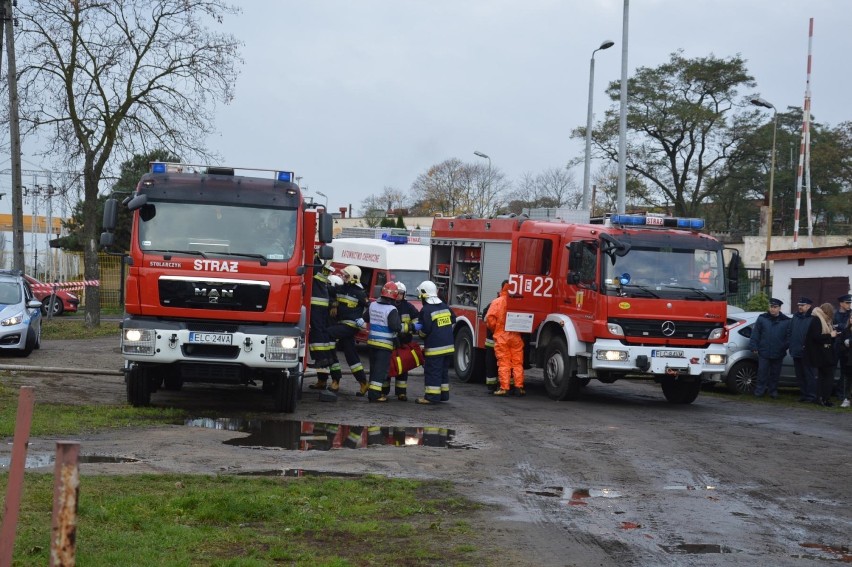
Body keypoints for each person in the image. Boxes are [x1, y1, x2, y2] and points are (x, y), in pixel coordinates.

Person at [326, 265, 370, 395]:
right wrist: (334, 303)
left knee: (327, 334)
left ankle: (336, 379)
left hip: (350, 326)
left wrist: (364, 319)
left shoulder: (360, 293)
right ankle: (363, 382)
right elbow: (328, 291)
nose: (343, 277)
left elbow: (371, 307)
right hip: (342, 325)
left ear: (353, 278)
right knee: (351, 355)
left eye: (346, 276)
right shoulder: (341, 289)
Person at [415, 280, 456, 405]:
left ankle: (432, 397)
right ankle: (443, 394)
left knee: (433, 371)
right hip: (449, 347)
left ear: (424, 295)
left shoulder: (426, 310)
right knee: (443, 371)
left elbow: (425, 330)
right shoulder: (444, 306)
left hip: (435, 348)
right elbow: (453, 319)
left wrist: (419, 333)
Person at [306, 259, 341, 392]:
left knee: (329, 355)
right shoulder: (328, 291)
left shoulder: (333, 297)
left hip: (329, 331)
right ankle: (322, 380)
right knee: (320, 353)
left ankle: (336, 380)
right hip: (323, 329)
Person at [365, 281, 402, 403]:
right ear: (395, 296)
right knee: (380, 370)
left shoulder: (373, 305)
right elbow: (395, 326)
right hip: (384, 344)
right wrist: (406, 327)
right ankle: (374, 395)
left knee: (373, 368)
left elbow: (366, 318)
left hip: (371, 342)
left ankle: (372, 392)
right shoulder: (392, 309)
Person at [486, 281, 525, 396]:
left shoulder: (497, 302)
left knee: (504, 363)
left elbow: (490, 319)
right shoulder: (519, 301)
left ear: (502, 288)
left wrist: (496, 330)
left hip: (502, 337)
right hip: (516, 336)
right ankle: (519, 387)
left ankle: (504, 388)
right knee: (517, 363)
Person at [384, 282, 421, 401]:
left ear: (404, 294)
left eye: (401, 293)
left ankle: (401, 393)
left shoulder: (408, 307)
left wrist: (411, 327)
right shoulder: (388, 305)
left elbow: (417, 320)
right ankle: (384, 391)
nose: (398, 295)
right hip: (390, 342)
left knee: (403, 367)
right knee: (388, 367)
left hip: (404, 342)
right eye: (397, 293)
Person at [748, 298, 791, 399]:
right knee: (762, 372)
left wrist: (783, 347)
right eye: (771, 307)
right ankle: (759, 391)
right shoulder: (762, 318)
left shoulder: (786, 321)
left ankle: (773, 391)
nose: (773, 309)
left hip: (778, 352)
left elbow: (789, 336)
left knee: (775, 373)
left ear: (779, 308)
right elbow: (756, 333)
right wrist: (753, 346)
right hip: (764, 351)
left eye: (775, 307)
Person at [805, 303, 839, 407]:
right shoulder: (817, 320)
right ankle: (823, 398)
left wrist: (832, 336)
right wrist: (831, 335)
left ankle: (822, 398)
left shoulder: (823, 320)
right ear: (827, 312)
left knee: (824, 377)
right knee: (826, 377)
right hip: (821, 354)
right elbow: (816, 337)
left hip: (825, 353)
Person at [789, 296, 817, 403]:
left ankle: (811, 396)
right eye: (799, 305)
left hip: (807, 353)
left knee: (809, 375)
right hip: (796, 351)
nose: (800, 307)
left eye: (802, 305)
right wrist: (791, 344)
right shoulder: (795, 317)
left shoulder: (813, 319)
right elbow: (790, 332)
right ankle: (804, 394)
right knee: (799, 375)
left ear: (809, 306)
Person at [832, 293, 851, 407]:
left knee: (845, 372)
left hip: (846, 348)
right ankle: (829, 392)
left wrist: (840, 328)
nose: (849, 305)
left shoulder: (851, 314)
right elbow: (833, 327)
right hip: (835, 345)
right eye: (847, 303)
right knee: (831, 369)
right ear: (841, 303)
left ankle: (841, 393)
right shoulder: (835, 315)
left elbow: (843, 328)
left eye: (850, 303)